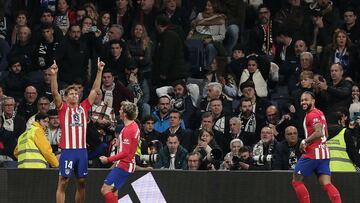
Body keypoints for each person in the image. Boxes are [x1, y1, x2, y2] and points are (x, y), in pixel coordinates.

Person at [51, 58, 105, 203]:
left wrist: (99, 71)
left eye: (76, 93)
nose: (75, 95)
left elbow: (94, 90)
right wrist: (54, 75)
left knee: (81, 183)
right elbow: (55, 92)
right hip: (68, 150)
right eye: (72, 94)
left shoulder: (84, 107)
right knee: (63, 182)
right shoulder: (62, 108)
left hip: (82, 151)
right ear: (66, 97)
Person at [291, 91, 341, 203]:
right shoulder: (320, 113)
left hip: (311, 155)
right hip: (324, 155)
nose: (303, 102)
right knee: (327, 184)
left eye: (306, 99)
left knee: (296, 181)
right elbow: (326, 134)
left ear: (313, 101)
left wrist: (304, 141)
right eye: (302, 100)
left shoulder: (311, 115)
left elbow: (319, 133)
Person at [99, 101, 140, 203]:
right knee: (113, 191)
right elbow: (130, 145)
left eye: (121, 109)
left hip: (124, 165)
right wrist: (120, 143)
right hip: (128, 164)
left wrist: (108, 159)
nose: (119, 111)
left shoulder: (128, 130)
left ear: (125, 114)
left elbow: (125, 153)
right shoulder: (133, 125)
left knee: (105, 189)